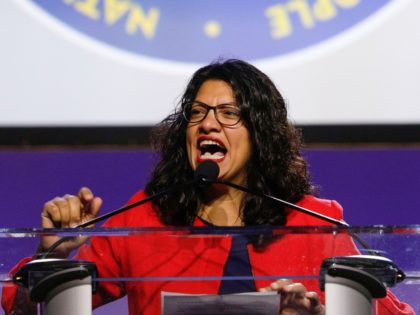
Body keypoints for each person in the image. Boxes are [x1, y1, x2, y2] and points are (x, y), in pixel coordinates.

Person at [2, 59, 414, 315]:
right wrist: (49, 253)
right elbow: (28, 310)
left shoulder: (315, 223)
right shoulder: (145, 219)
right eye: (197, 113)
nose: (208, 124)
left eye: (228, 113)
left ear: (261, 135)